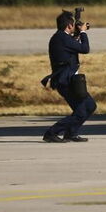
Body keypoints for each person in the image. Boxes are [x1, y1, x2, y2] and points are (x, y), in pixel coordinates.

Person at [42, 10, 96, 143]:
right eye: (73, 25)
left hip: (71, 80)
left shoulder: (62, 37)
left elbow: (73, 47)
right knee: (81, 111)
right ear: (69, 26)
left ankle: (71, 133)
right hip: (65, 81)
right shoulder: (62, 38)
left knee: (89, 106)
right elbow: (84, 49)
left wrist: (77, 34)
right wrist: (82, 32)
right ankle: (51, 133)